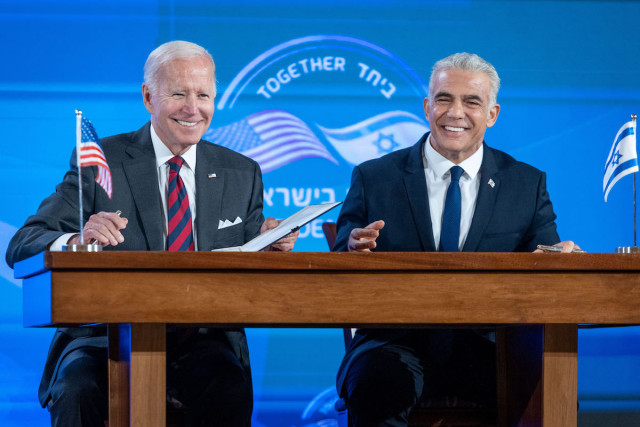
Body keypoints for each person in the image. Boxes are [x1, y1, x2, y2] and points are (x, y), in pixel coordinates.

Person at [6, 40, 298, 427]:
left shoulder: (240, 171)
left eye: (203, 95)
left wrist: (270, 245)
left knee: (226, 387)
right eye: (178, 94)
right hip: (104, 338)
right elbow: (23, 242)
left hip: (202, 341)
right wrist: (76, 242)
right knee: (78, 388)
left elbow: (247, 256)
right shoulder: (101, 161)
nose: (193, 108)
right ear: (148, 97)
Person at [332, 52, 580, 426]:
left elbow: (545, 259)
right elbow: (339, 260)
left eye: (472, 102)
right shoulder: (374, 177)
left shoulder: (526, 184)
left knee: (553, 394)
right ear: (427, 107)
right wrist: (352, 248)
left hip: (491, 346)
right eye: (444, 99)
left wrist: (560, 255)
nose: (455, 112)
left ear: (492, 114)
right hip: (394, 343)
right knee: (376, 386)